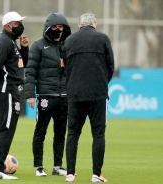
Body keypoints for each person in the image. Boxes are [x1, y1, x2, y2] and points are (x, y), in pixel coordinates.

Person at [63, 12, 114, 182]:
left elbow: (63, 68)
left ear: (79, 25)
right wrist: (101, 83)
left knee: (72, 134)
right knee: (98, 134)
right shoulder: (103, 38)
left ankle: (70, 174)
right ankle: (96, 174)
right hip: (97, 94)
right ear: (95, 24)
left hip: (75, 94)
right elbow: (110, 66)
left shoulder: (69, 40)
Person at [24, 13, 72, 177]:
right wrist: (30, 94)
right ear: (48, 28)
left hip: (64, 97)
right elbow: (30, 72)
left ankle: (58, 166)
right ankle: (39, 166)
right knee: (40, 132)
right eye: (55, 27)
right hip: (45, 96)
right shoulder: (38, 46)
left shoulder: (67, 46)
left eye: (61, 27)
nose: (58, 30)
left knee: (60, 133)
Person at [0, 11, 29, 180]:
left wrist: (24, 49)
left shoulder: (10, 41)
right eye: (17, 23)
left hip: (5, 89)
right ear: (8, 25)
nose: (20, 26)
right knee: (5, 129)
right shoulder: (4, 41)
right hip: (5, 89)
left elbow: (21, 65)